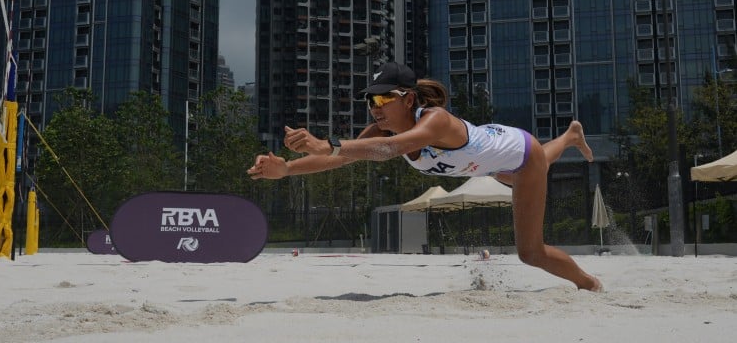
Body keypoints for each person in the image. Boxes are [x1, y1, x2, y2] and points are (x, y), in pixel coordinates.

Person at [248, 61, 602, 292]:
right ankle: (570, 136)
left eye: (383, 99)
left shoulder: (435, 120)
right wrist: (287, 169)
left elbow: (388, 150)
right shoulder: (382, 130)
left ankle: (589, 285)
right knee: (525, 170)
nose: (375, 107)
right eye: (370, 101)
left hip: (520, 153)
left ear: (408, 100)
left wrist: (327, 144)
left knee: (531, 252)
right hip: (489, 161)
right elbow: (339, 160)